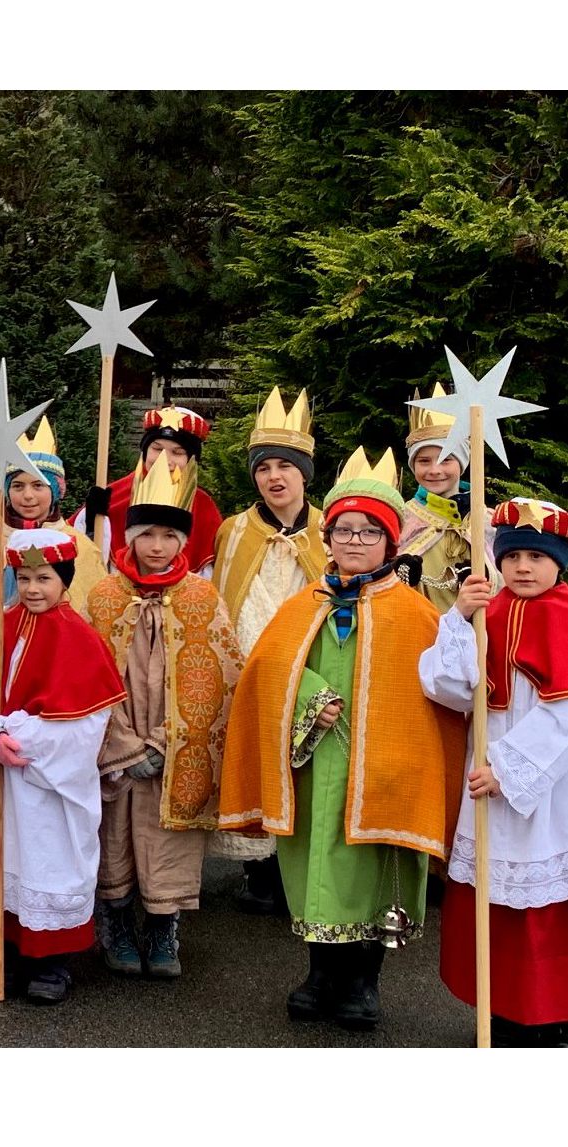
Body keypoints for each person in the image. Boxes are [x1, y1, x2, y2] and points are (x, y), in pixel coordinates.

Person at [218, 447, 465, 1031]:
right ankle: (319, 974)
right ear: (328, 539)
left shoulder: (415, 613)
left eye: (368, 532)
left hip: (381, 772)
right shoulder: (304, 605)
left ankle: (363, 981)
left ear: (390, 542)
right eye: (343, 531)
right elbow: (267, 669)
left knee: (369, 875)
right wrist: (308, 702)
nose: (354, 541)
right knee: (312, 873)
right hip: (312, 771)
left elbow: (444, 692)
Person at [0, 528, 126, 1003]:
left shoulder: (81, 640)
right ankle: (8, 955)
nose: (32, 588)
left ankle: (51, 964)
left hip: (47, 785)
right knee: (1, 860)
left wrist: (15, 738)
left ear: (64, 580)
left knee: (47, 863)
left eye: (44, 577)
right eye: (23, 577)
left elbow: (85, 725)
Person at [422, 498, 568, 1047]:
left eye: (537, 555)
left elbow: (565, 712)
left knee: (545, 907)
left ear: (558, 563)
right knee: (492, 902)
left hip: (549, 792)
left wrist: (508, 771)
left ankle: (550, 1018)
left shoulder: (565, 615)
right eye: (513, 556)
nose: (523, 567)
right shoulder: (488, 611)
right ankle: (500, 1014)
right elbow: (448, 687)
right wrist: (460, 618)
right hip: (485, 779)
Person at [88, 456, 241, 979]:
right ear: (129, 538)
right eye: (146, 534)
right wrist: (125, 746)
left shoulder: (202, 597)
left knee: (166, 836)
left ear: (183, 541)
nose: (157, 546)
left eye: (169, 535)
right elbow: (87, 677)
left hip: (174, 749)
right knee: (114, 837)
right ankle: (116, 923)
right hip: (115, 751)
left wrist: (162, 742)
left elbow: (220, 675)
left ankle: (163, 927)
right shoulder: (104, 597)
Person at [210, 388, 328, 913]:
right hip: (250, 664)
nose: (274, 477)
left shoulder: (331, 529)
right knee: (256, 764)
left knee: (306, 769)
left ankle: (300, 868)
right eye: (264, 468)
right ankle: (259, 869)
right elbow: (222, 597)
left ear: (305, 473)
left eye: (286, 466)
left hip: (312, 666)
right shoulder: (234, 531)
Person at [0, 418, 106, 687]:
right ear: (5, 491)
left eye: (38, 485)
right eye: (18, 486)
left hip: (51, 672)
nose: (27, 496)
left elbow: (91, 618)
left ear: (55, 491)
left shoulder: (81, 548)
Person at [74, 404, 223, 575]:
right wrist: (90, 525)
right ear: (145, 451)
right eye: (157, 449)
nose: (165, 460)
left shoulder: (205, 507)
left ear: (191, 460)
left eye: (178, 452)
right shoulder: (111, 495)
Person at [398, 383, 497, 613]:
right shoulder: (402, 520)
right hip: (423, 636)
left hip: (480, 640)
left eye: (446, 459)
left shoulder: (488, 520)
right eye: (424, 461)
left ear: (462, 463)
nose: (434, 470)